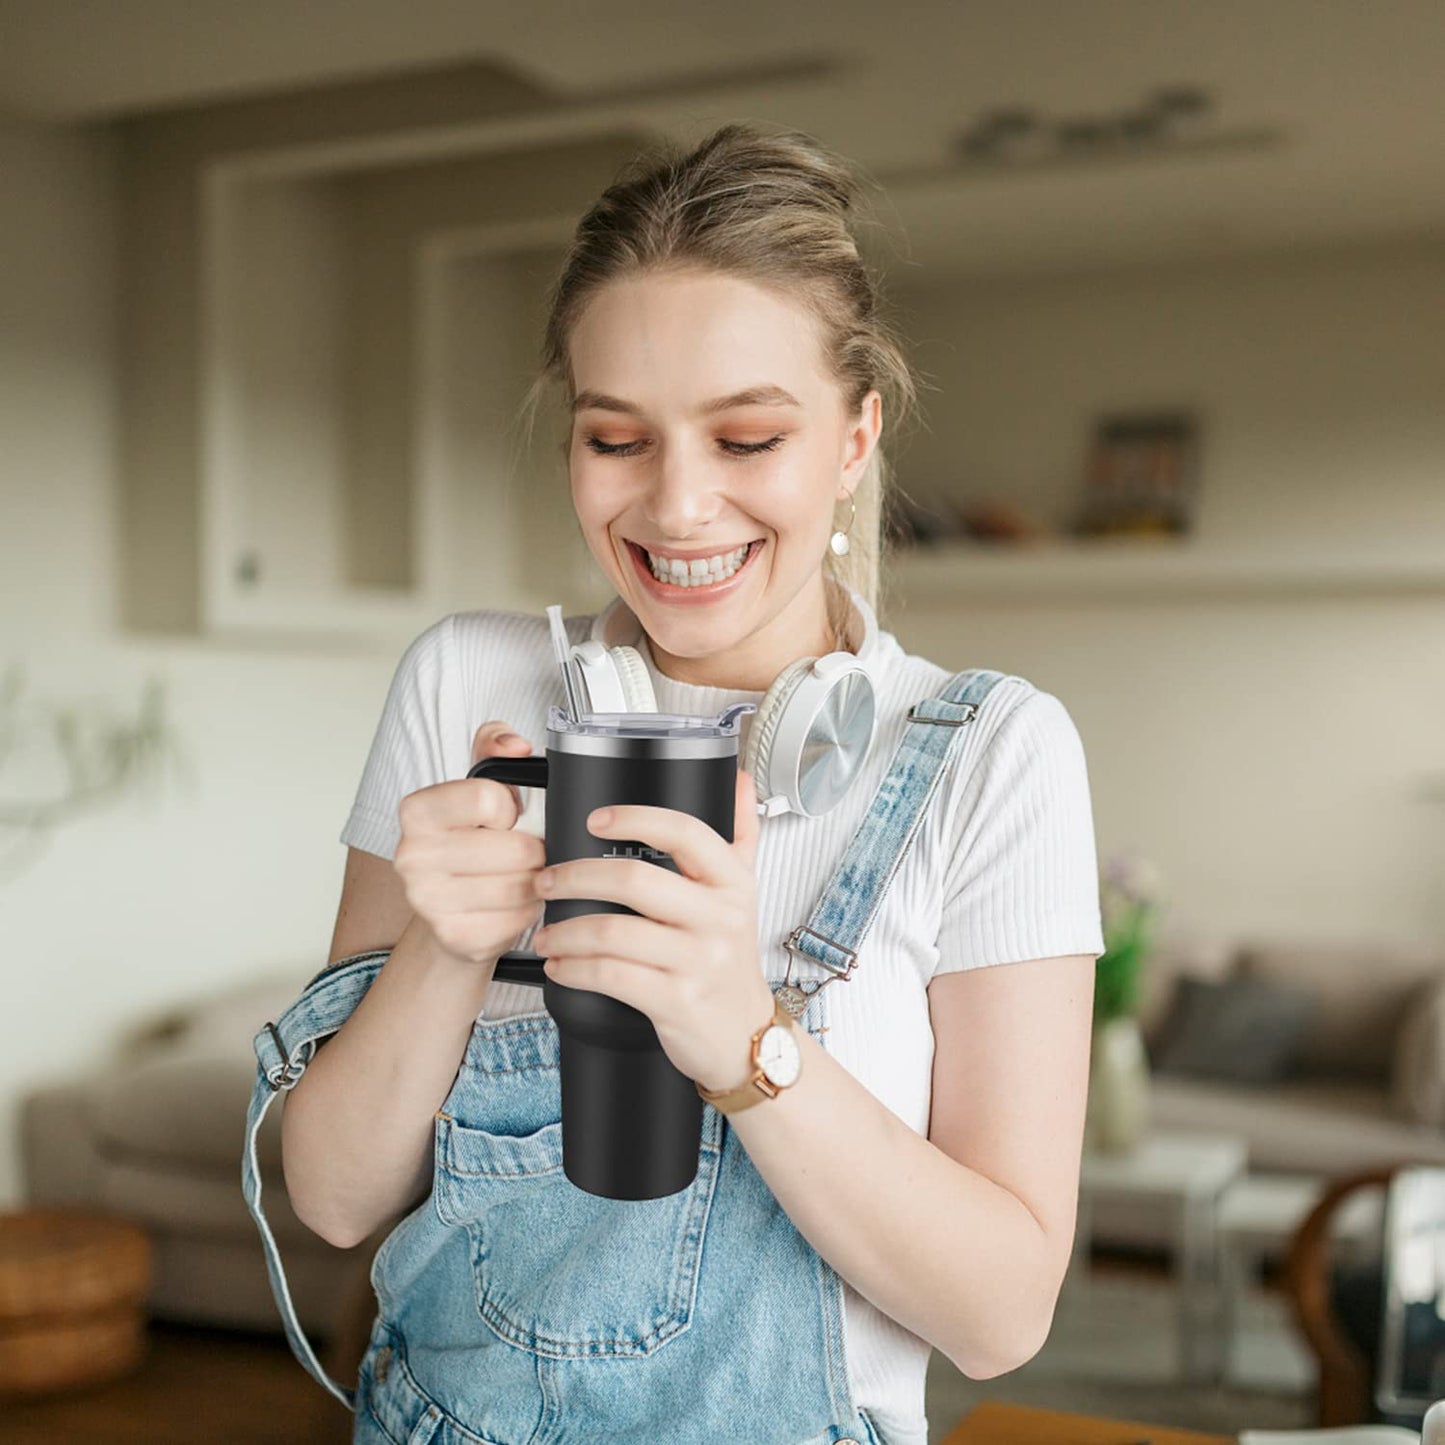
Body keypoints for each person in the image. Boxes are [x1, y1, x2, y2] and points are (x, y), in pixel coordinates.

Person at [273, 122, 1106, 1445]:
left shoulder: (989, 754)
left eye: (745, 437)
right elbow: (328, 1195)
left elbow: (1000, 1314)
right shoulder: (466, 687)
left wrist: (739, 1032)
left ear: (850, 440)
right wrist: (447, 942)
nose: (675, 506)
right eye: (618, 438)